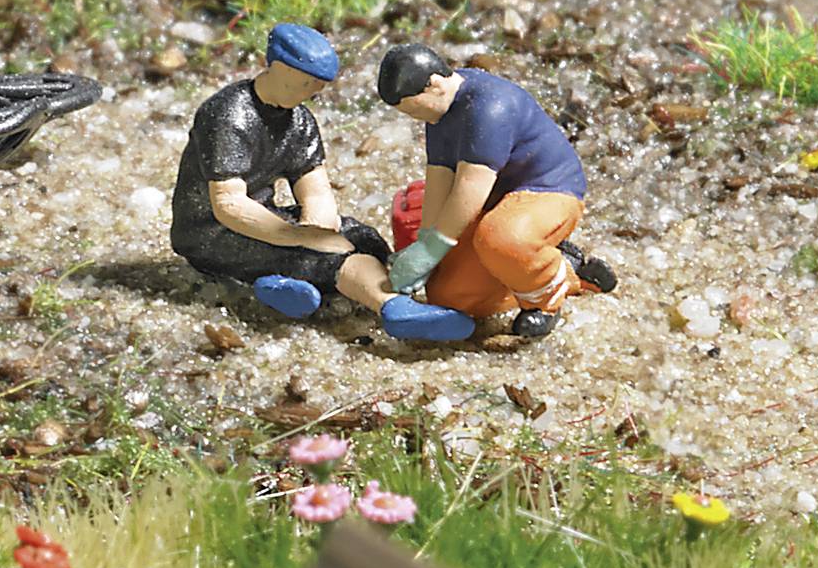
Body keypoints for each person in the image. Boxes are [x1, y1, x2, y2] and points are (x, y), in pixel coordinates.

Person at [370, 43, 616, 339]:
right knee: (450, 296)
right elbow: (439, 177)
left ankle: (544, 301)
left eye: (412, 108)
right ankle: (564, 270)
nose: (413, 117)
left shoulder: (489, 107)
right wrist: (424, 241)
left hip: (547, 190)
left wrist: (433, 248)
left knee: (501, 238)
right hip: (494, 204)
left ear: (434, 84)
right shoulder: (437, 113)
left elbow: (471, 187)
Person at [169, 23, 394, 323]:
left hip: (264, 217)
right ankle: (392, 308)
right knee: (322, 258)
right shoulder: (227, 114)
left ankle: (285, 288)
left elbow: (314, 189)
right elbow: (228, 204)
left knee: (363, 238)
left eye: (318, 85)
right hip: (211, 232)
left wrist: (318, 229)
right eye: (307, 82)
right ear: (279, 68)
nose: (313, 92)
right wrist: (301, 238)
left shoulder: (299, 120)